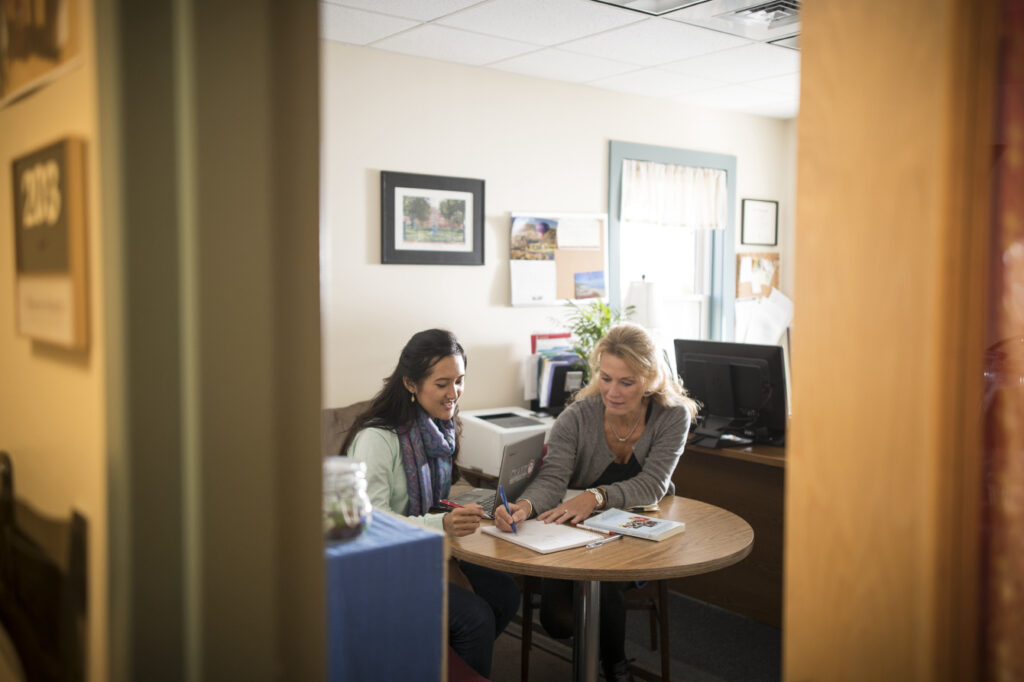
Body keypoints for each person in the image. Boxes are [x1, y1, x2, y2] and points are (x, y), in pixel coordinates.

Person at [494, 322, 698, 682]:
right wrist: (524, 507)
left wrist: (596, 495)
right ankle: (608, 661)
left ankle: (616, 667)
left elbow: (652, 485)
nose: (613, 392)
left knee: (609, 580)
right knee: (558, 622)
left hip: (635, 526)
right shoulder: (577, 416)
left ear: (649, 379)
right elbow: (553, 478)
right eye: (606, 378)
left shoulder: (673, 415)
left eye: (626, 382)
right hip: (573, 529)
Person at [341, 328, 520, 678]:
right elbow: (370, 522)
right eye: (442, 384)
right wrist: (440, 527)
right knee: (475, 618)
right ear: (410, 384)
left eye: (459, 381)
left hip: (426, 550)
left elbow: (435, 500)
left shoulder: (439, 429)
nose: (453, 393)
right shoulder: (377, 439)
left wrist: (471, 510)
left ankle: (442, 665)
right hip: (380, 564)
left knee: (505, 594)